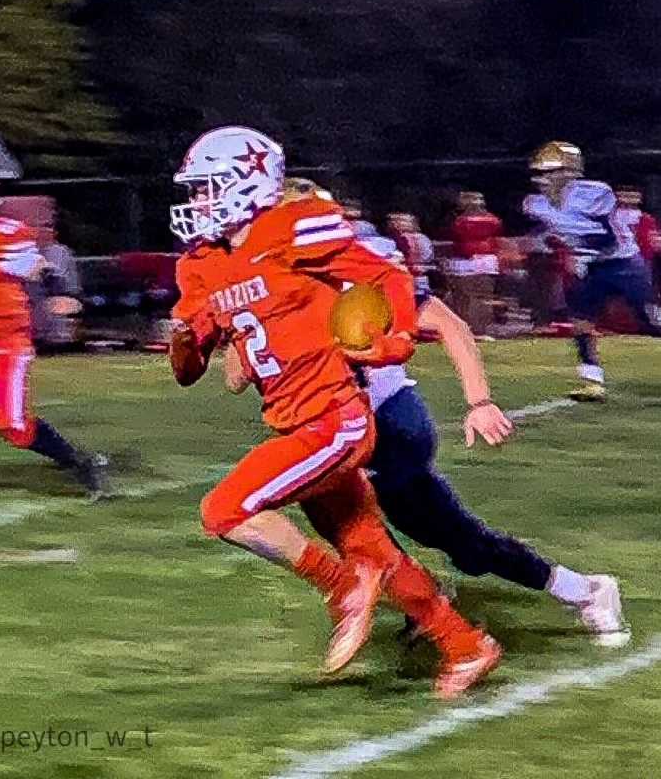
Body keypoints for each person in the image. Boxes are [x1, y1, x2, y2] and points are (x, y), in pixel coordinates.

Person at [169, 126, 500, 697]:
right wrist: (184, 339)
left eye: (207, 189)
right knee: (370, 547)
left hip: (335, 416)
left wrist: (392, 338)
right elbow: (189, 370)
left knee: (223, 510)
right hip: (292, 418)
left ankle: (338, 586)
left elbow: (387, 276)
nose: (197, 203)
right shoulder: (199, 265)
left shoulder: (294, 224)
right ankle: (463, 645)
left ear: (245, 185)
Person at [229, 178, 630, 646]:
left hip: (387, 420)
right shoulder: (275, 285)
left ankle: (587, 590)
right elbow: (237, 378)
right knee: (354, 527)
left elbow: (449, 324)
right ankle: (425, 600)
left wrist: (479, 402)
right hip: (329, 425)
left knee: (456, 542)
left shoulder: (355, 275)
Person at [0, 167, 107, 501]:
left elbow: (36, 266)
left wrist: (60, 291)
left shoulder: (0, 234)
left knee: (12, 428)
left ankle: (82, 463)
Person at [524, 141, 661, 401]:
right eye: (540, 173)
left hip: (623, 263)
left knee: (653, 322)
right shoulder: (536, 204)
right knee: (581, 321)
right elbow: (551, 230)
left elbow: (607, 239)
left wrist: (577, 252)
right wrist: (536, 241)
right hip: (591, 265)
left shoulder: (595, 193)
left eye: (551, 172)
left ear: (569, 172)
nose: (544, 180)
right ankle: (591, 380)